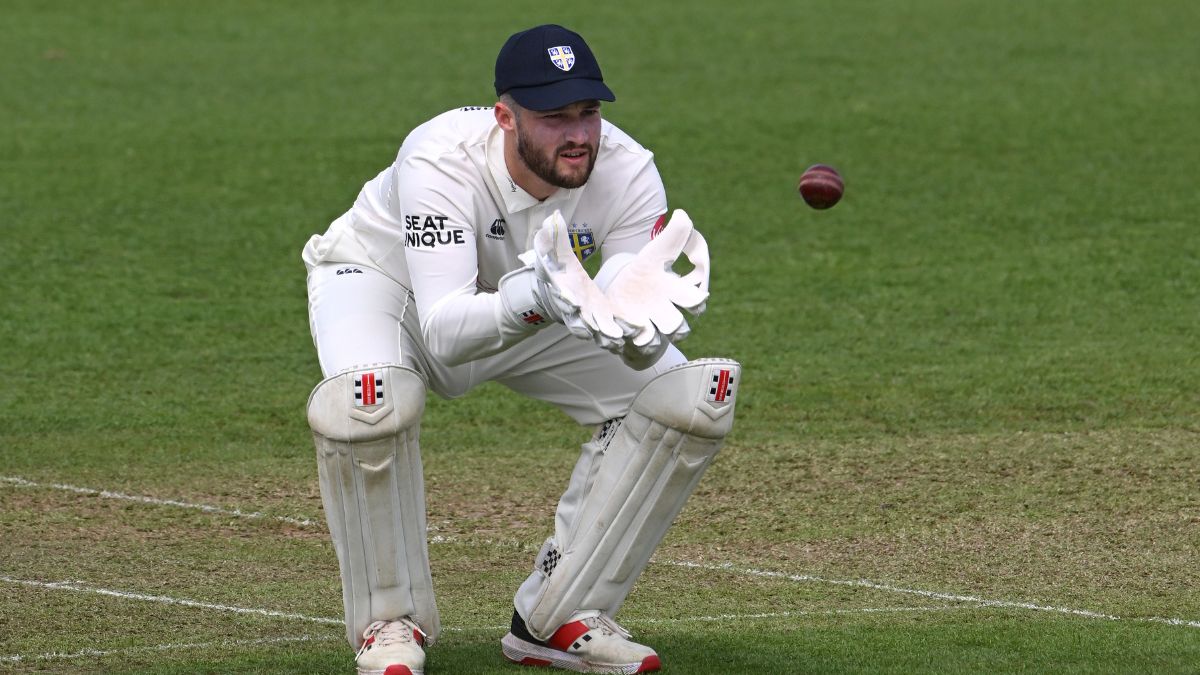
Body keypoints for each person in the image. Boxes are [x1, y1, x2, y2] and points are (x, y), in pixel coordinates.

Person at [301, 23, 740, 675]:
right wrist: (542, 292)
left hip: (536, 304)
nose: (577, 133)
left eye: (588, 112)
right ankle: (388, 623)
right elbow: (446, 333)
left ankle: (562, 612)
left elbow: (635, 340)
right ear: (506, 117)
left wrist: (638, 320)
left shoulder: (628, 171)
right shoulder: (439, 157)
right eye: (553, 116)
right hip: (384, 284)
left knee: (686, 400)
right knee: (370, 403)